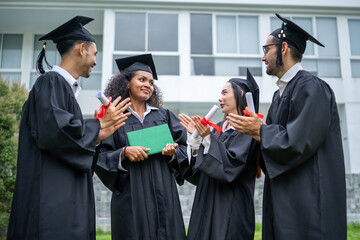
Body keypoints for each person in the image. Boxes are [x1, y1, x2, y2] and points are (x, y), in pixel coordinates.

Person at [7, 16, 131, 240]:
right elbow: (54, 132)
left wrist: (98, 135)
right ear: (82, 49)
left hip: (63, 199)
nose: (95, 61)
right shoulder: (51, 83)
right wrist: (98, 124)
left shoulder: (62, 89)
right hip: (51, 205)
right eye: (94, 54)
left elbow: (65, 139)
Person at [227, 13, 347, 240]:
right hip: (284, 198)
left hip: (307, 199)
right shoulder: (279, 95)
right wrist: (254, 138)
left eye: (266, 49)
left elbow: (299, 140)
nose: (263, 58)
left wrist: (260, 130)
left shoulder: (312, 88)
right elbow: (273, 142)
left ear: (283, 48)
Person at [94, 54, 188, 240]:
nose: (148, 85)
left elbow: (184, 149)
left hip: (165, 195)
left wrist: (173, 153)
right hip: (132, 196)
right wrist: (123, 153)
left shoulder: (164, 116)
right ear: (127, 83)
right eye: (142, 79)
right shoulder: (115, 117)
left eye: (151, 82)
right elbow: (100, 156)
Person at [178, 69, 261, 240]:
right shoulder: (217, 129)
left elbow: (229, 168)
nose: (220, 98)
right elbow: (199, 173)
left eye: (224, 93)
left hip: (230, 208)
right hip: (206, 204)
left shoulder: (248, 130)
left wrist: (207, 138)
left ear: (241, 94)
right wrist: (196, 140)